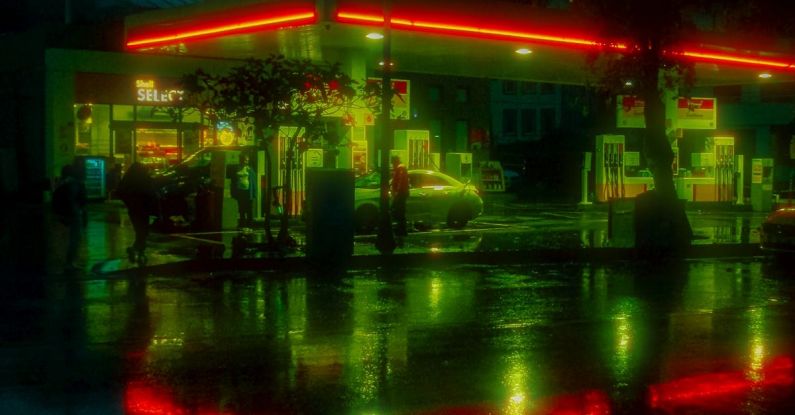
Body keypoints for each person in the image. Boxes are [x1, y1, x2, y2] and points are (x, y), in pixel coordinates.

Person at [116, 162, 155, 265]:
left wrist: (129, 202)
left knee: (139, 230)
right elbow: (150, 191)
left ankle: (137, 249)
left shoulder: (128, 179)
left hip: (134, 209)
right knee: (143, 230)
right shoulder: (144, 178)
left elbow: (120, 191)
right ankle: (138, 249)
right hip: (143, 208)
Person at [53, 164, 87, 271]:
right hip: (74, 215)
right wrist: (79, 214)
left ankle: (69, 262)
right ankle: (70, 263)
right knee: (75, 239)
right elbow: (75, 201)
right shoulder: (75, 184)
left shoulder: (64, 183)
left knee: (66, 239)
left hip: (64, 215)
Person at [232, 154, 255, 228]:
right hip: (240, 191)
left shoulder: (249, 169)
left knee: (249, 208)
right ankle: (242, 224)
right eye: (245, 160)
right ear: (242, 160)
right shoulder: (237, 168)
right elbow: (233, 180)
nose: (247, 161)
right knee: (241, 208)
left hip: (248, 191)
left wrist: (254, 192)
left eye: (247, 160)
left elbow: (253, 181)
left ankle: (249, 224)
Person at [390, 155, 409, 236]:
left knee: (398, 211)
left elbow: (400, 181)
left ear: (395, 161)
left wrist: (397, 191)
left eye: (392, 162)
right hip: (402, 193)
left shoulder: (400, 168)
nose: (392, 165)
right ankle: (401, 229)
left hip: (400, 193)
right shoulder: (400, 167)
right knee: (400, 211)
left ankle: (401, 229)